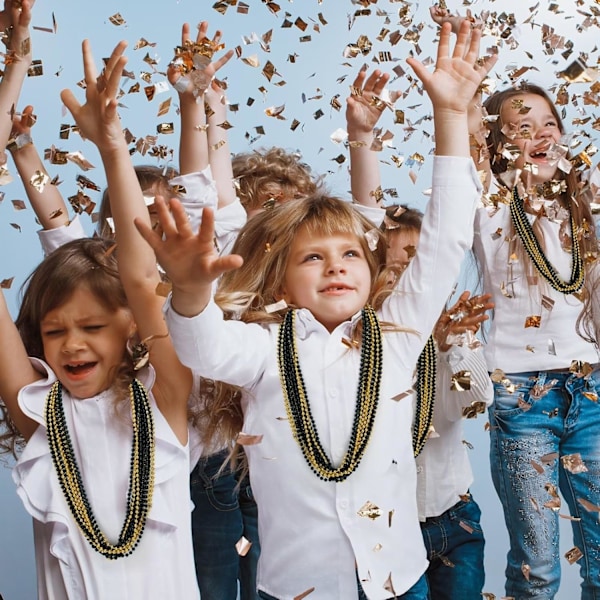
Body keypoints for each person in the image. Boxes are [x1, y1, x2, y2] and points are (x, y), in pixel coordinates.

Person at [137, 22, 495, 600]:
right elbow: (200, 344)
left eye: (351, 254)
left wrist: (450, 117)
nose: (336, 267)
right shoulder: (261, 352)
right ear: (280, 277)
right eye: (314, 257)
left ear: (370, 270)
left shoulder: (397, 338)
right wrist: (188, 289)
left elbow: (447, 239)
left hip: (399, 583)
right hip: (297, 588)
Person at [0, 39, 202, 600]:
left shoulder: (163, 379)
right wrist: (23, 152)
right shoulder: (80, 262)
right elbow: (55, 211)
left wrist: (111, 144)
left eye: (90, 329)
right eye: (56, 331)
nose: (72, 344)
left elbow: (141, 286)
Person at [431, 6, 600, 598]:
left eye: (548, 123)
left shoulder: (587, 207)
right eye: (520, 127)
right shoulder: (489, 201)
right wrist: (463, 78)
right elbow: (466, 136)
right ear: (500, 143)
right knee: (539, 565)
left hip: (592, 389)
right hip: (522, 393)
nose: (539, 136)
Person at [382, 204, 493, 600]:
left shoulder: (457, 334)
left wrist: (448, 348)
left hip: (456, 520)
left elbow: (475, 402)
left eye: (416, 269)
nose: (406, 283)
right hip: (391, 531)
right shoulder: (365, 348)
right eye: (393, 270)